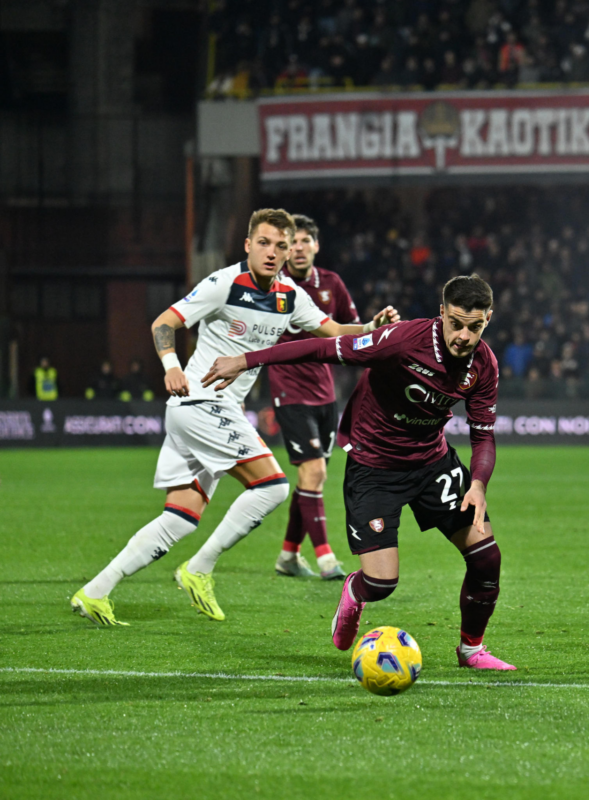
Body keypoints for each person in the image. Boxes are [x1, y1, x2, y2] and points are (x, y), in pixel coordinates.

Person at [70, 208, 397, 626]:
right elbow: (164, 322)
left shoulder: (290, 295)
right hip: (200, 402)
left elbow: (333, 330)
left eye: (281, 245)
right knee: (275, 487)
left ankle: (95, 591)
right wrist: (171, 365)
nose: (273, 252)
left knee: (179, 518)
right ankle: (200, 568)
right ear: (248, 244)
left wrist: (372, 326)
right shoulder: (225, 282)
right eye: (264, 243)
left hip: (204, 411)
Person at [203, 275, 515, 671]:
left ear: (488, 319)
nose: (464, 336)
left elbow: (483, 434)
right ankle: (354, 589)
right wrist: (244, 360)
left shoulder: (484, 365)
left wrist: (478, 483)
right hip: (376, 466)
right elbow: (322, 347)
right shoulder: (402, 340)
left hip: (432, 462)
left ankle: (471, 650)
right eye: (456, 323)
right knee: (382, 584)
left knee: (487, 558)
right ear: (442, 313)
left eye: (475, 326)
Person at [267, 214, 363, 581]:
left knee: (311, 479)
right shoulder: (272, 285)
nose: (299, 247)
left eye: (305, 241)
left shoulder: (332, 284)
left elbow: (350, 333)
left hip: (326, 393)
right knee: (315, 470)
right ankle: (326, 559)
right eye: (293, 241)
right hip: (289, 390)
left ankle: (288, 556)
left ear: (316, 246)